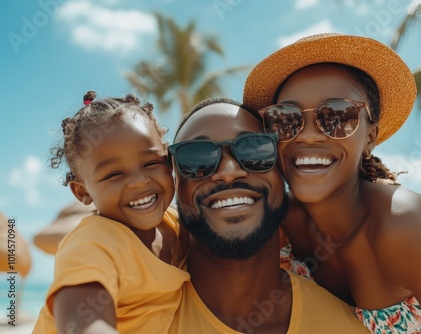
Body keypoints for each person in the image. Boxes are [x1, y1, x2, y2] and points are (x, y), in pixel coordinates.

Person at [243, 33, 421, 334]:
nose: (308, 135)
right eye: (286, 118)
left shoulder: (404, 226)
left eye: (337, 116)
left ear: (370, 138)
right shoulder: (280, 221)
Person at [167, 98, 369, 333]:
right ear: (173, 184)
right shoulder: (134, 309)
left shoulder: (347, 328)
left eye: (254, 149)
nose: (230, 172)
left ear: (283, 171)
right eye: (196, 158)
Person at [33, 91, 190, 334]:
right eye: (114, 174)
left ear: (169, 163)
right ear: (82, 192)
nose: (138, 181)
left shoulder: (177, 225)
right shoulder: (94, 243)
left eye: (151, 163)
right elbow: (82, 318)